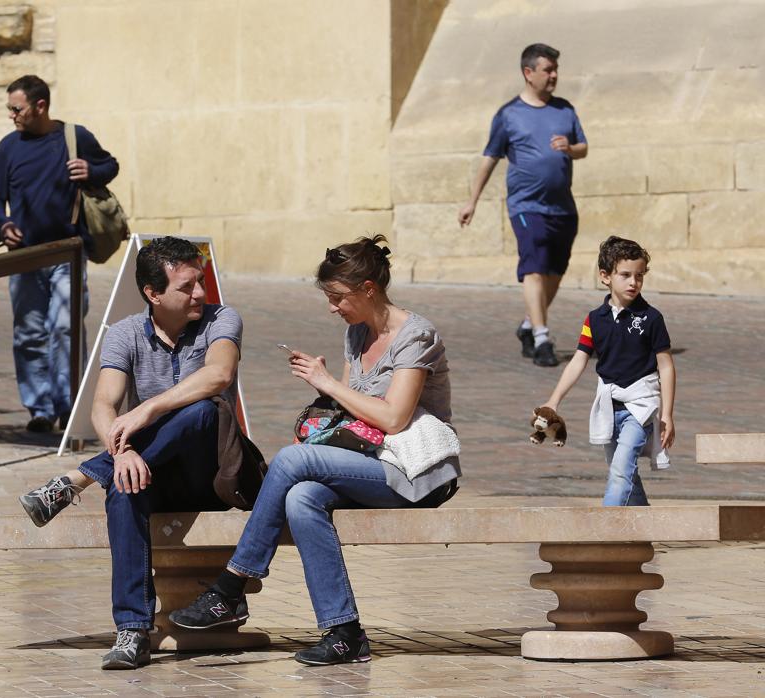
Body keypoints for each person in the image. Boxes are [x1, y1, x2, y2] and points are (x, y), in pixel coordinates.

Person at [165, 236, 460, 666]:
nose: (333, 308)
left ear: (368, 289)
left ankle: (231, 586)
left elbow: (395, 418)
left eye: (338, 298)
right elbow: (351, 415)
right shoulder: (356, 334)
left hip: (415, 471)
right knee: (302, 497)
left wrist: (326, 382)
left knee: (290, 460)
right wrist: (324, 416)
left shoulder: (417, 335)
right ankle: (344, 633)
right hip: (369, 462)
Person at [16, 236, 244, 670]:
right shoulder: (124, 333)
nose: (200, 293)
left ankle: (79, 478)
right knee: (123, 488)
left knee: (201, 410)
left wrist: (147, 410)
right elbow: (103, 406)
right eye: (186, 287)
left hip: (213, 474)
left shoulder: (221, 320)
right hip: (152, 471)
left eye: (201, 282)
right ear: (152, 294)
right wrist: (120, 455)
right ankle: (133, 631)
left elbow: (219, 374)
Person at [0, 74, 120, 433]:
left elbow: (110, 166)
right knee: (28, 332)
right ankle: (40, 409)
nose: (12, 115)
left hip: (68, 256)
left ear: (40, 106)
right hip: (24, 257)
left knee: (65, 328)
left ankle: (71, 407)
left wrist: (92, 170)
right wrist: (2, 224)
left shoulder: (75, 138)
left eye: (17, 108)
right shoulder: (9, 148)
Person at [458, 43, 588, 367]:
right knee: (534, 267)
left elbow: (583, 146)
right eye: (548, 69)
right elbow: (490, 158)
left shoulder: (565, 110)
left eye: (556, 69)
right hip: (526, 206)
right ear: (528, 73)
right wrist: (472, 201)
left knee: (555, 271)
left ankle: (529, 324)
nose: (554, 75)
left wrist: (570, 148)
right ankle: (542, 337)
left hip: (562, 207)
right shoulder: (508, 115)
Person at [538, 237, 675, 506]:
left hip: (641, 407)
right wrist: (553, 401)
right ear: (605, 277)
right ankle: (643, 524)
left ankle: (606, 531)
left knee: (620, 471)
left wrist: (667, 414)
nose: (633, 282)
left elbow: (666, 366)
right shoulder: (594, 319)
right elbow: (578, 360)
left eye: (639, 276)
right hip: (609, 406)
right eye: (625, 275)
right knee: (625, 472)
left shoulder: (652, 318)